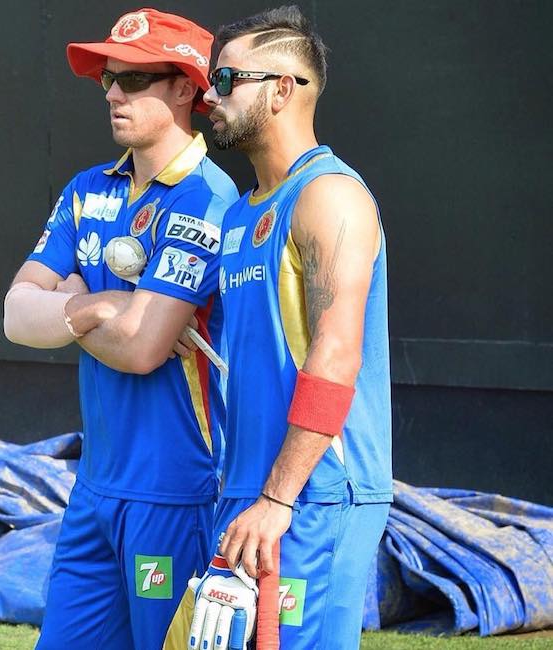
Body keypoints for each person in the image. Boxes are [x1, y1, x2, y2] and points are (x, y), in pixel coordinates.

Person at [3, 8, 238, 650]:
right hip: (95, 487)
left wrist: (72, 300)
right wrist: (96, 309)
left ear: (186, 86)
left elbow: (141, 349)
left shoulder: (207, 199)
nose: (112, 93)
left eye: (134, 80)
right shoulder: (87, 189)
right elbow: (14, 315)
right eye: (109, 79)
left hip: (177, 491)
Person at [178, 5, 393, 649]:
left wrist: (278, 499)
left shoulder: (329, 196)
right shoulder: (243, 214)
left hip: (312, 494)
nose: (208, 96)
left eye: (226, 79)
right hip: (250, 492)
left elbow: (336, 354)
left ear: (282, 89)